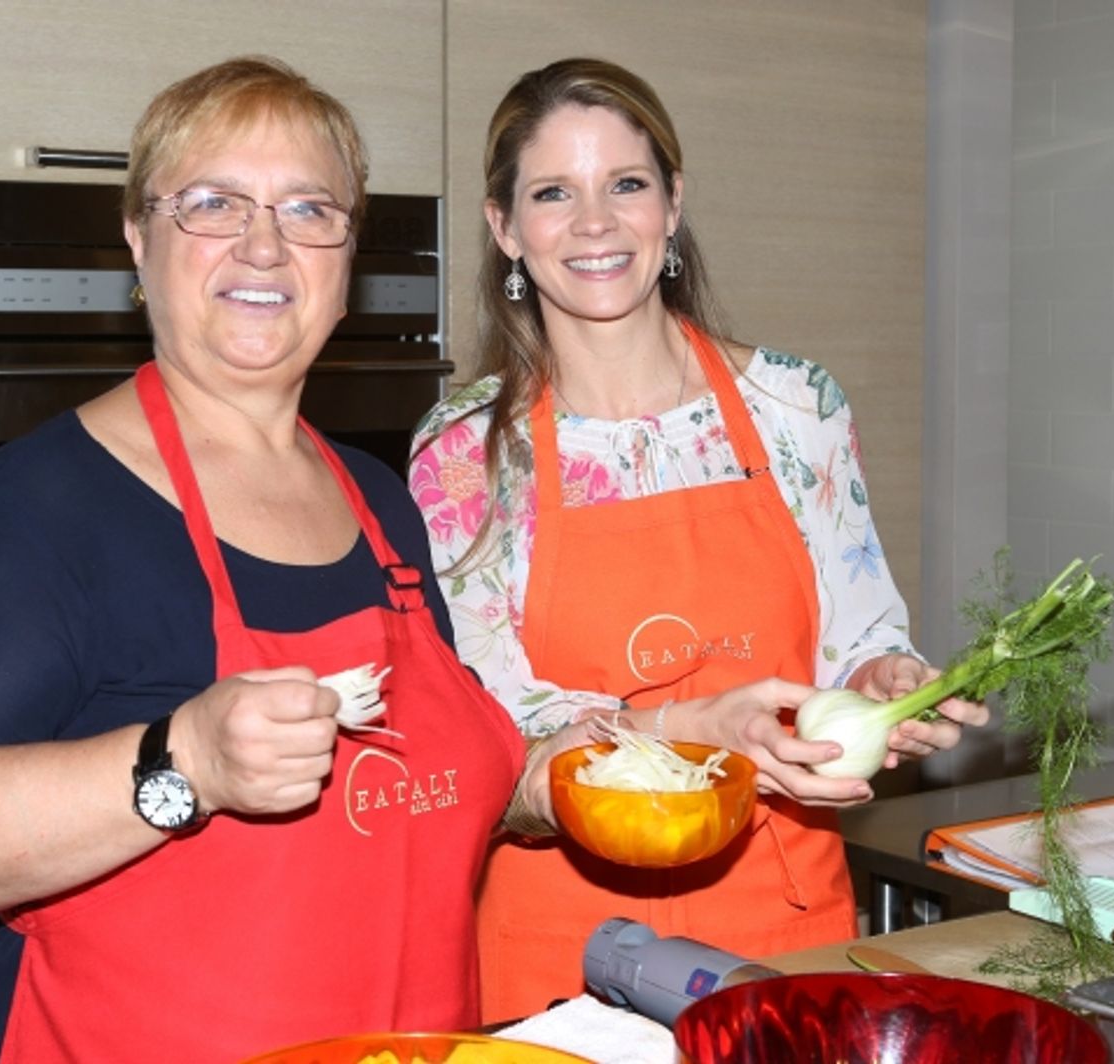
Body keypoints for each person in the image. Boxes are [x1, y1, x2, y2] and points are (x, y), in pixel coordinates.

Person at [0, 56, 568, 1063]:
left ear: (346, 255)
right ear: (139, 239)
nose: (264, 245)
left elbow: (411, 805)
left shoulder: (384, 504)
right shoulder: (44, 505)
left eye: (310, 209)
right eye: (213, 203)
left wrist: (637, 747)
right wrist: (182, 761)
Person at [409, 56, 990, 1022]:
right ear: (505, 227)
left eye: (625, 185)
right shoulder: (466, 449)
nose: (595, 223)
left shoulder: (797, 406)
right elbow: (493, 732)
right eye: (555, 193)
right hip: (561, 947)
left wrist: (886, 686)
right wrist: (700, 727)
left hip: (783, 925)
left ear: (672, 204)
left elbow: (858, 629)